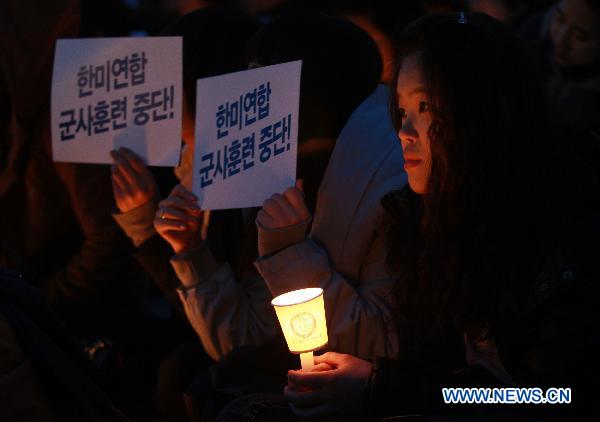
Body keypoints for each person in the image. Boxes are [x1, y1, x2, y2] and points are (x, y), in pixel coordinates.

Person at [276, 12, 599, 421]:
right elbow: (436, 367)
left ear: (483, 110)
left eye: (425, 105)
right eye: (401, 108)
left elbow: (553, 397)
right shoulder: (426, 225)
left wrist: (382, 389)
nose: (404, 131)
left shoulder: (561, 236)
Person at [158, 12, 398, 364]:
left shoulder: (381, 182)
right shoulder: (259, 179)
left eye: (262, 90)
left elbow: (387, 344)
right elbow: (241, 341)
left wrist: (287, 251)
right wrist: (189, 248)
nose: (253, 109)